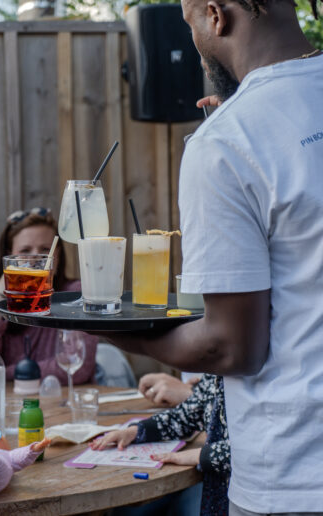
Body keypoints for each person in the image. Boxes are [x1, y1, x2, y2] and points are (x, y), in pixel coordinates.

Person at [101, 0, 323, 513]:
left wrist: (109, 327)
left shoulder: (226, 141)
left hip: (296, 477)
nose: (194, 44)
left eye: (189, 23)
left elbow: (230, 349)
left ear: (216, 15)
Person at [0, 208, 98, 383]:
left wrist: (4, 373)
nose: (35, 258)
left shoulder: (75, 295)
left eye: (45, 249)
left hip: (61, 401)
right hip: (10, 403)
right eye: (25, 251)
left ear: (57, 256)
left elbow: (78, 367)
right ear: (9, 257)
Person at [92, 374, 230, 516]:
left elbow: (252, 451)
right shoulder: (215, 374)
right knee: (130, 511)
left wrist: (202, 455)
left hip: (237, 494)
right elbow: (187, 415)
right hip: (213, 486)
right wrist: (136, 431)